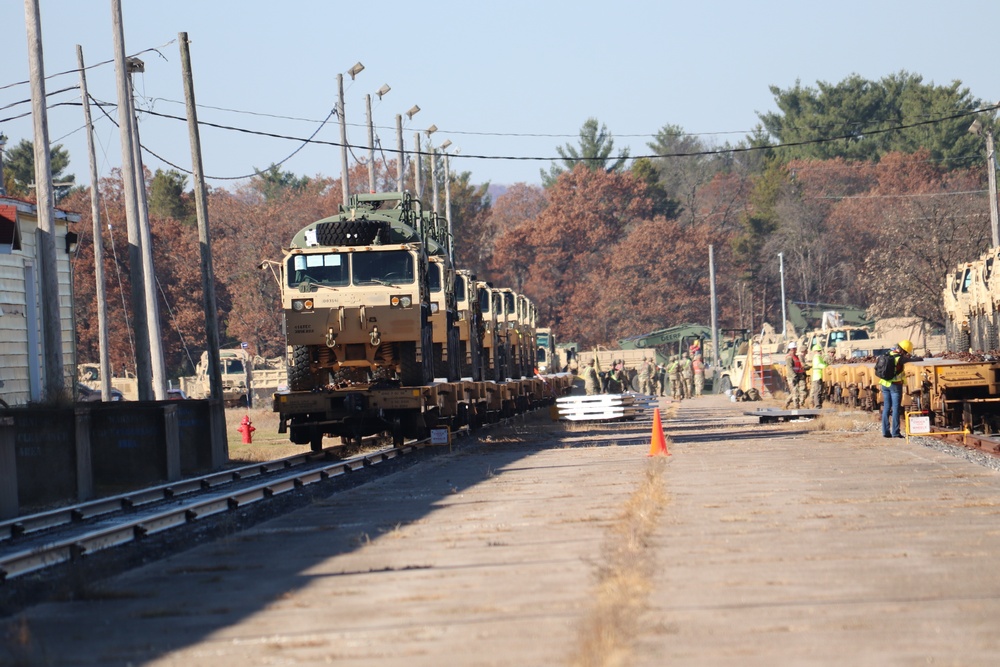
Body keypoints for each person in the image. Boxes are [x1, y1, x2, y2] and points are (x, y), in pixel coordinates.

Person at [880, 339, 913, 438]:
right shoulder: (900, 358)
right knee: (895, 409)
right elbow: (916, 360)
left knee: (886, 407)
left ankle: (885, 432)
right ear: (904, 350)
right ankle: (895, 432)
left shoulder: (889, 353)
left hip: (884, 384)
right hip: (895, 385)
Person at [783, 341, 807, 409]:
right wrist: (794, 376)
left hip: (798, 376)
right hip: (792, 377)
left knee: (800, 391)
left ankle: (788, 404)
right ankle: (796, 407)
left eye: (795, 348)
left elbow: (799, 367)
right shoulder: (789, 358)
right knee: (795, 393)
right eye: (794, 348)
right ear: (791, 349)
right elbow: (789, 368)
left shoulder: (796, 357)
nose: (796, 349)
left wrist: (802, 374)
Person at [810, 342, 828, 408]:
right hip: (817, 377)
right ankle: (817, 405)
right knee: (817, 391)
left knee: (819, 390)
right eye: (818, 351)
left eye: (820, 351)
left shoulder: (818, 357)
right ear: (815, 351)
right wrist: (826, 366)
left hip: (818, 376)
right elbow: (818, 365)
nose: (820, 352)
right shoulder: (816, 357)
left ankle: (819, 404)